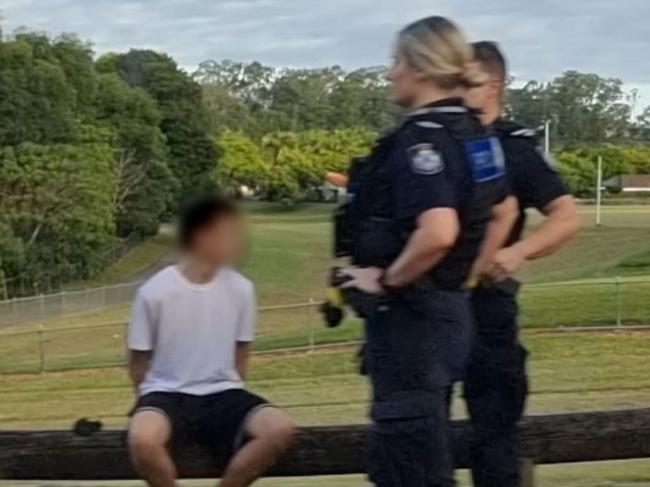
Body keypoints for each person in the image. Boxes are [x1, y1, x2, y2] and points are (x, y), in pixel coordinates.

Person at [338, 17, 516, 487]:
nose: (389, 73)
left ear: (421, 67)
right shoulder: (475, 134)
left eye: (396, 61)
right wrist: (463, 277)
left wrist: (388, 280)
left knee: (410, 469)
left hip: (412, 326)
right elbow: (503, 210)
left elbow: (438, 232)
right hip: (451, 316)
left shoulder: (424, 139)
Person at [463, 41, 581, 487]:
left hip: (487, 304)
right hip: (431, 302)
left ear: (492, 83)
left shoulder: (515, 147)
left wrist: (514, 253)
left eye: (465, 78)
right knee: (420, 431)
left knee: (495, 430)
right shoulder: (437, 137)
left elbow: (566, 218)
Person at [126, 195, 295, 487]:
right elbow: (137, 360)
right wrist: (144, 401)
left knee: (280, 429)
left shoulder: (242, 289)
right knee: (142, 439)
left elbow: (241, 355)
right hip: (167, 393)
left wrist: (231, 391)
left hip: (223, 393)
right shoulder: (154, 292)